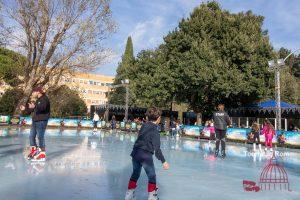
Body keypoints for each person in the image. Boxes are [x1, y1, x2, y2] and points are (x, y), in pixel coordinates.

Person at [125, 107, 169, 200]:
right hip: (145, 155)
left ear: (147, 117)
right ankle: (152, 197)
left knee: (135, 173)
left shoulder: (143, 126)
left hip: (135, 153)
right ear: (158, 119)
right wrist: (164, 161)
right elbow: (157, 150)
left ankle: (128, 196)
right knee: (152, 176)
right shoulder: (155, 131)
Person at [20, 86, 50, 161]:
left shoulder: (44, 99)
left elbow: (42, 108)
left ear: (38, 92)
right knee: (31, 136)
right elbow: (32, 110)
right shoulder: (38, 100)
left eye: (34, 92)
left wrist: (35, 106)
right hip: (35, 120)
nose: (33, 93)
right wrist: (25, 108)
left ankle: (42, 153)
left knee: (40, 136)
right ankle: (34, 150)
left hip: (41, 121)